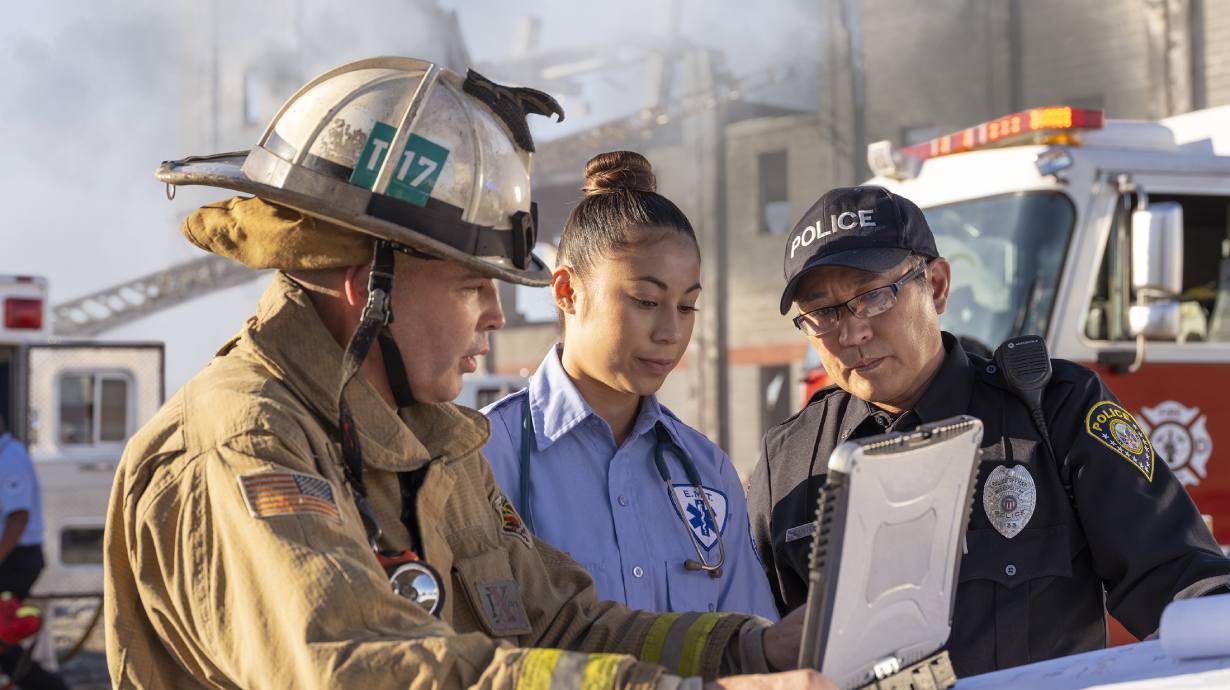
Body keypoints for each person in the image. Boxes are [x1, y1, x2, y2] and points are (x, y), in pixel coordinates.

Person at [103, 57, 827, 690]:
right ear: (369, 285)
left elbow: (562, 626)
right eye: (470, 286)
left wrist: (752, 649)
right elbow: (365, 669)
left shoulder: (438, 449)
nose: (496, 315)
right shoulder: (246, 445)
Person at [747, 185, 1230, 677]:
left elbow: (1182, 580)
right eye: (822, 313)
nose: (852, 333)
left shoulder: (1053, 412)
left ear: (936, 286)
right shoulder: (787, 463)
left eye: (872, 296)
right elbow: (750, 645)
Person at [481, 151, 777, 620]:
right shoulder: (484, 459)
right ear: (566, 292)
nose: (671, 332)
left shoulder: (707, 473)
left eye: (687, 307)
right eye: (646, 300)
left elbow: (750, 640)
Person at [0, 416, 68, 690]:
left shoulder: (10, 458)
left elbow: (18, 517)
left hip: (16, 558)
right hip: (11, 557)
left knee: (3, 634)